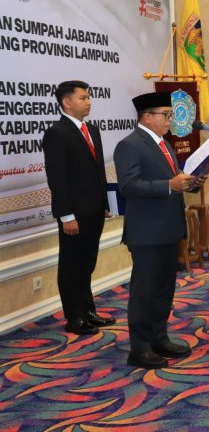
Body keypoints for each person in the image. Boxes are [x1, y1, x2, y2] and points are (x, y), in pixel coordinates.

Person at [113, 92, 206, 369]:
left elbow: (173, 181)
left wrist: (191, 182)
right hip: (147, 232)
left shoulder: (164, 143)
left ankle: (159, 338)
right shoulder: (130, 145)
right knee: (145, 291)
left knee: (164, 289)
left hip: (169, 228)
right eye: (166, 115)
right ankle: (140, 349)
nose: (170, 120)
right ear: (146, 117)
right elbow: (128, 186)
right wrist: (169, 185)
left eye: (170, 115)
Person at [42, 80, 115, 336]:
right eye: (83, 98)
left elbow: (97, 171)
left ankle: (88, 311)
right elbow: (57, 179)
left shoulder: (92, 130)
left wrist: (104, 203)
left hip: (94, 210)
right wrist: (66, 216)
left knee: (87, 262)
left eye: (89, 97)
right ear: (66, 102)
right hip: (73, 214)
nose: (88, 102)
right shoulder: (57, 133)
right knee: (72, 265)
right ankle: (74, 318)